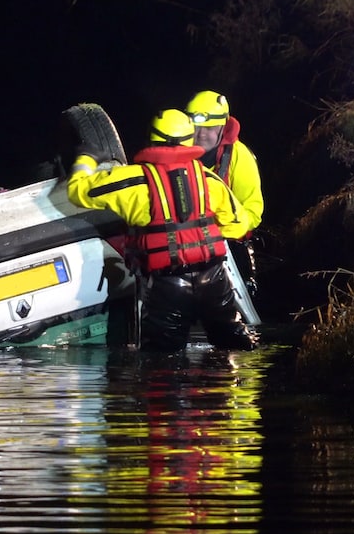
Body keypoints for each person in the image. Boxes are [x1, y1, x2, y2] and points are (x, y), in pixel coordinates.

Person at [68, 109, 258, 353]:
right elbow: (239, 224)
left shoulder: (132, 181)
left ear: (152, 138)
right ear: (190, 139)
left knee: (162, 360)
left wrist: (86, 159)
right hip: (214, 279)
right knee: (235, 344)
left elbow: (78, 192)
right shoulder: (209, 180)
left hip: (169, 284)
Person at [185, 90, 264, 297]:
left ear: (223, 127)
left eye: (209, 127)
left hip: (229, 249)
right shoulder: (178, 155)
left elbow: (253, 212)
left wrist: (220, 232)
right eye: (196, 126)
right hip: (186, 249)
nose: (201, 133)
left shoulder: (240, 157)